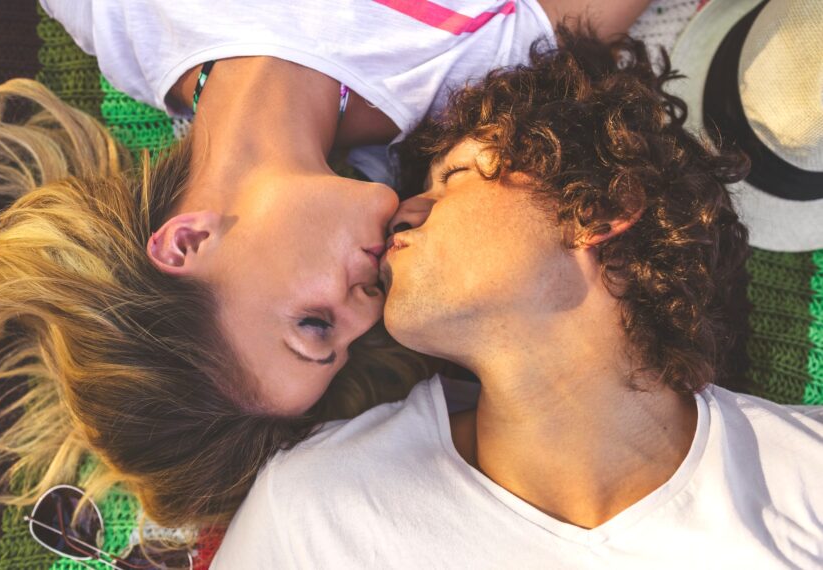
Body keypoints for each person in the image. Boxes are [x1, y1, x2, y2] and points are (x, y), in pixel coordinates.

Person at [0, 0, 651, 529]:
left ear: (186, 243)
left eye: (315, 325)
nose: (369, 307)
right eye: (345, 346)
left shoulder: (123, 16)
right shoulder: (480, 93)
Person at [210, 28, 823, 568]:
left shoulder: (807, 483)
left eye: (456, 177)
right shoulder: (312, 514)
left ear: (599, 211)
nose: (404, 208)